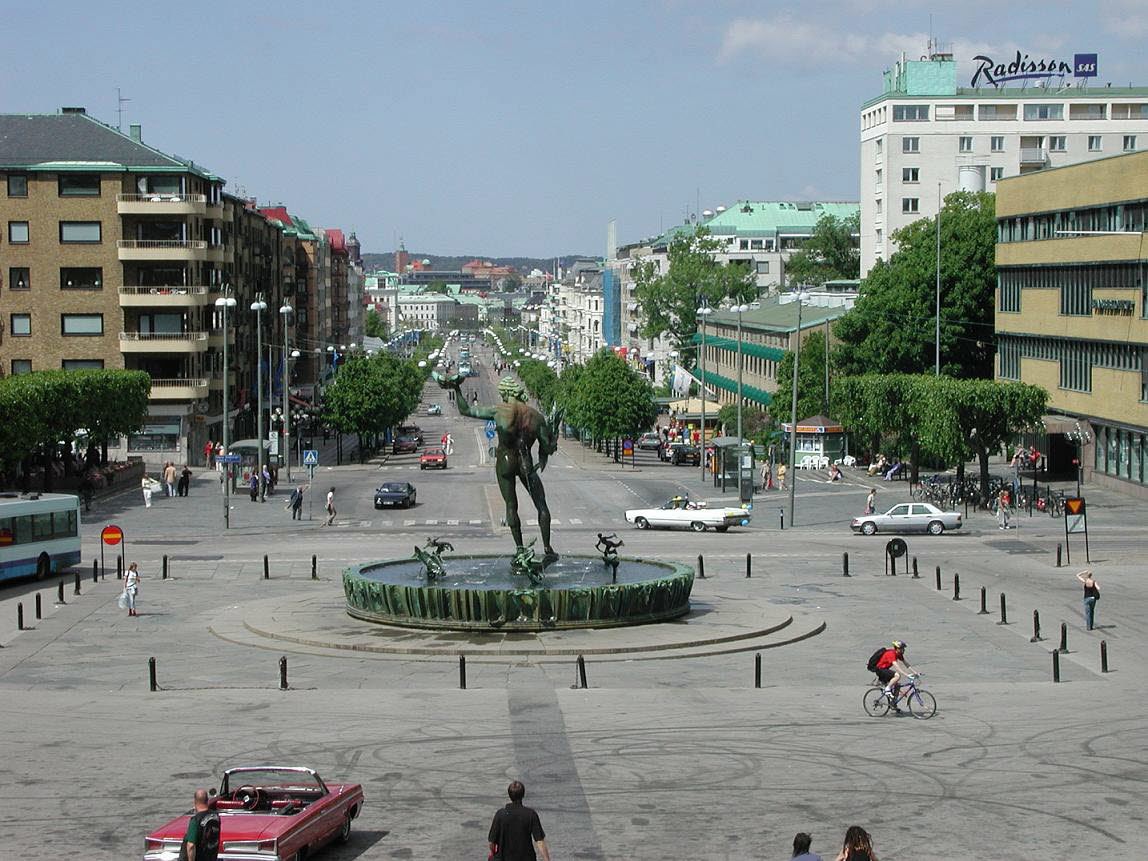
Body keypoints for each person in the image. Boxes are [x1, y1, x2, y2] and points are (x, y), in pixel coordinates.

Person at [436, 373, 561, 567]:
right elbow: (548, 447)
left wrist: (457, 389)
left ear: (503, 393)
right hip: (526, 462)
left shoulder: (498, 411)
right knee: (541, 504)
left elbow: (466, 410)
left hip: (505, 460)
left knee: (511, 506)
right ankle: (547, 548)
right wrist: (553, 436)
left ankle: (520, 550)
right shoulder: (535, 416)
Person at [488, 780, 551, 861]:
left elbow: (492, 842)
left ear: (509, 795)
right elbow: (539, 841)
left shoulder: (500, 814)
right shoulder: (530, 814)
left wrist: (493, 854)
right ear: (523, 795)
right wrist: (546, 859)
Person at [871, 640, 916, 712]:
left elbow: (906, 664)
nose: (903, 650)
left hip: (885, 670)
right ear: (897, 648)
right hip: (880, 670)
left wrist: (915, 672)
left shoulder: (899, 654)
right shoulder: (891, 654)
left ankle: (893, 704)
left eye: (903, 648)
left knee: (897, 685)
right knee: (897, 676)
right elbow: (896, 667)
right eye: (902, 648)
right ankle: (887, 689)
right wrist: (906, 675)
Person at [179, 788, 220, 861]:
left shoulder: (196, 820)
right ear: (207, 800)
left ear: (195, 801)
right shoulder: (216, 817)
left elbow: (191, 845)